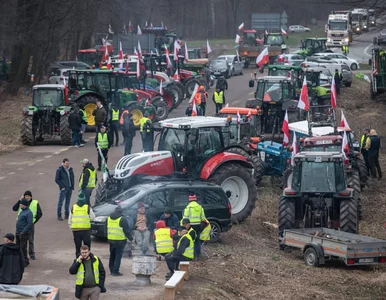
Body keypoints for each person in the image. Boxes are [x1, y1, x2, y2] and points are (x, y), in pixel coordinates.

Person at [12, 191, 42, 261]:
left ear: (31, 197)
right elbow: (14, 208)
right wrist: (19, 200)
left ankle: (31, 254)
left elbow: (39, 213)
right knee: (20, 242)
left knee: (30, 240)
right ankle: (20, 256)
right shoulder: (22, 202)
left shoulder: (35, 203)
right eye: (26, 196)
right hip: (21, 226)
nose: (27, 197)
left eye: (28, 196)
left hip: (30, 224)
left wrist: (33, 221)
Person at [107, 206, 133, 276]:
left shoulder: (109, 218)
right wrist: (131, 239)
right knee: (118, 256)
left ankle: (111, 270)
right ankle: (115, 271)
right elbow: (126, 231)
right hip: (120, 240)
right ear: (121, 212)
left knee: (112, 255)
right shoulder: (122, 219)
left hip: (111, 239)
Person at [69, 192, 95, 258]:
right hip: (85, 230)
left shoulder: (73, 207)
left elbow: (70, 219)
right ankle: (87, 259)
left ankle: (78, 261)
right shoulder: (87, 207)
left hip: (76, 230)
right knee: (87, 247)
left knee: (78, 247)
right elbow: (93, 217)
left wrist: (71, 227)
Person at [182, 193, 207, 258]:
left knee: (190, 240)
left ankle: (191, 255)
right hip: (198, 226)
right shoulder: (200, 207)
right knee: (197, 240)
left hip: (190, 226)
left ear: (189, 200)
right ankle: (198, 254)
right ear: (195, 200)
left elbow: (185, 218)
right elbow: (203, 218)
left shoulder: (188, 207)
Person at [15, 199, 33, 267]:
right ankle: (20, 260)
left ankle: (25, 261)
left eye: (21, 204)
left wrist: (23, 232)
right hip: (18, 232)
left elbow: (29, 224)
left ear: (24, 205)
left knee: (23, 248)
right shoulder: (22, 211)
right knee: (18, 247)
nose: (20, 205)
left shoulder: (29, 213)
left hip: (23, 233)